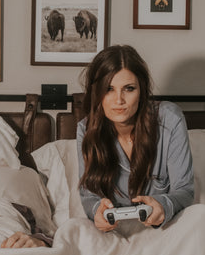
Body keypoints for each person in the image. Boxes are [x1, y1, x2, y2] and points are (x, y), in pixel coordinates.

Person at [77, 44, 194, 232]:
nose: (119, 100)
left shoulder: (170, 119)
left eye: (129, 89)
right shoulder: (85, 129)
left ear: (142, 90)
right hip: (114, 234)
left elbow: (185, 191)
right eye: (109, 89)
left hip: (165, 231)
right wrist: (97, 210)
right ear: (96, 92)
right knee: (72, 229)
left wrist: (162, 205)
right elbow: (88, 195)